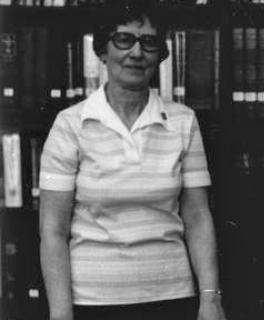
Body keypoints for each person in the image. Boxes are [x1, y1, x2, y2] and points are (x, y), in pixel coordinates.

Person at [38, 1, 225, 319]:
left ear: (161, 54)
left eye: (149, 42)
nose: (137, 53)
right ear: (102, 50)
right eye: (124, 39)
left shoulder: (183, 121)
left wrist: (210, 299)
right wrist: (60, 314)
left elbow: (197, 216)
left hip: (173, 296)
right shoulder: (70, 124)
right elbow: (52, 229)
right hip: (93, 302)